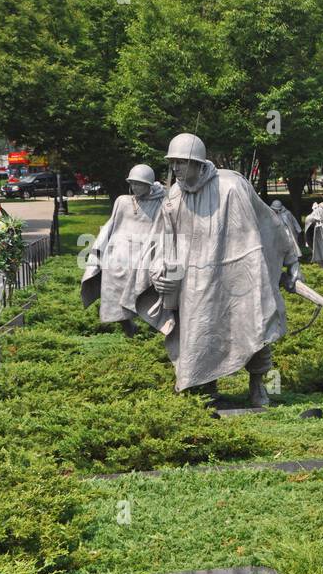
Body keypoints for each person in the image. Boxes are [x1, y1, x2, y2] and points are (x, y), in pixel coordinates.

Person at [124, 132, 303, 407]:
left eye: (182, 163)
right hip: (195, 281)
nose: (176, 169)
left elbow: (268, 220)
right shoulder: (174, 196)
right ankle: (208, 388)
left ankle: (258, 387)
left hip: (240, 273)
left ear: (197, 162)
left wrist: (292, 261)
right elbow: (163, 239)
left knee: (253, 324)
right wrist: (159, 269)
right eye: (173, 163)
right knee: (199, 332)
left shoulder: (231, 187)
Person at [81, 164, 166, 334]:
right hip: (119, 252)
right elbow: (110, 226)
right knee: (111, 274)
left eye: (139, 184)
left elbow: (164, 229)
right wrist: (98, 249)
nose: (135, 187)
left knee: (151, 279)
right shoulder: (123, 201)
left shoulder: (161, 202)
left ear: (149, 184)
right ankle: (126, 325)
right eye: (133, 183)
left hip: (147, 251)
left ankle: (154, 324)